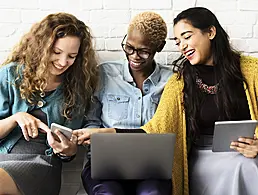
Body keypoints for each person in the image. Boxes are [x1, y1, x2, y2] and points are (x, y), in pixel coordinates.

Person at [75, 7, 258, 195]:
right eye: (178, 42)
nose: (182, 46)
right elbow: (157, 128)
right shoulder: (180, 82)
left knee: (249, 165)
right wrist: (108, 132)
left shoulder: (251, 71)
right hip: (204, 156)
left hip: (245, 152)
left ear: (211, 32)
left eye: (187, 37)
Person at [0, 13, 100, 195]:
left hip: (41, 164)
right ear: (42, 47)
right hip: (3, 157)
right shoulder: (10, 75)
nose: (63, 62)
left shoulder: (81, 87)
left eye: (72, 56)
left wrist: (69, 150)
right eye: (56, 53)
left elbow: (88, 132)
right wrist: (16, 118)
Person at [74, 12, 173, 195]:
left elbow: (170, 129)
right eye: (129, 48)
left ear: (160, 47)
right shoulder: (104, 74)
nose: (134, 56)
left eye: (143, 51)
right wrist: (90, 136)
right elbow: (91, 121)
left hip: (152, 169)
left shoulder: (171, 81)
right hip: (106, 168)